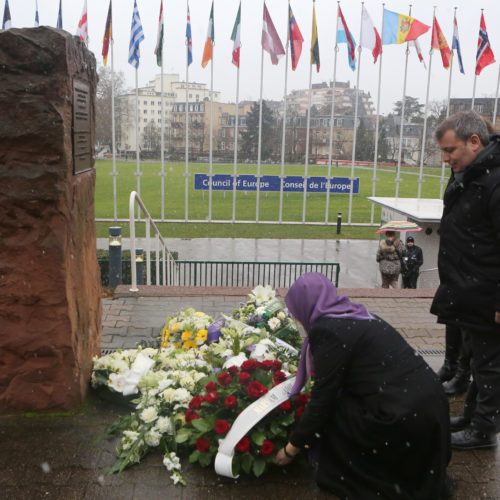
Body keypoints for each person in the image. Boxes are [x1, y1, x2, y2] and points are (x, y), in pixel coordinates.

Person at [275, 272, 451, 499]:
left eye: (295, 311)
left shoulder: (328, 330)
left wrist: (292, 448)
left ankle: (353, 475)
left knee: (336, 411)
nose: (297, 318)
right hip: (431, 411)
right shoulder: (355, 314)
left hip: (405, 421)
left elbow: (322, 398)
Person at [431, 110, 500, 450]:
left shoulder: (494, 180)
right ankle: (473, 417)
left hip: (486, 291)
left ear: (474, 142)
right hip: (470, 288)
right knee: (478, 359)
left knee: (490, 364)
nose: (445, 158)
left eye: (450, 150)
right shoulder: (471, 174)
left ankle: (484, 431)